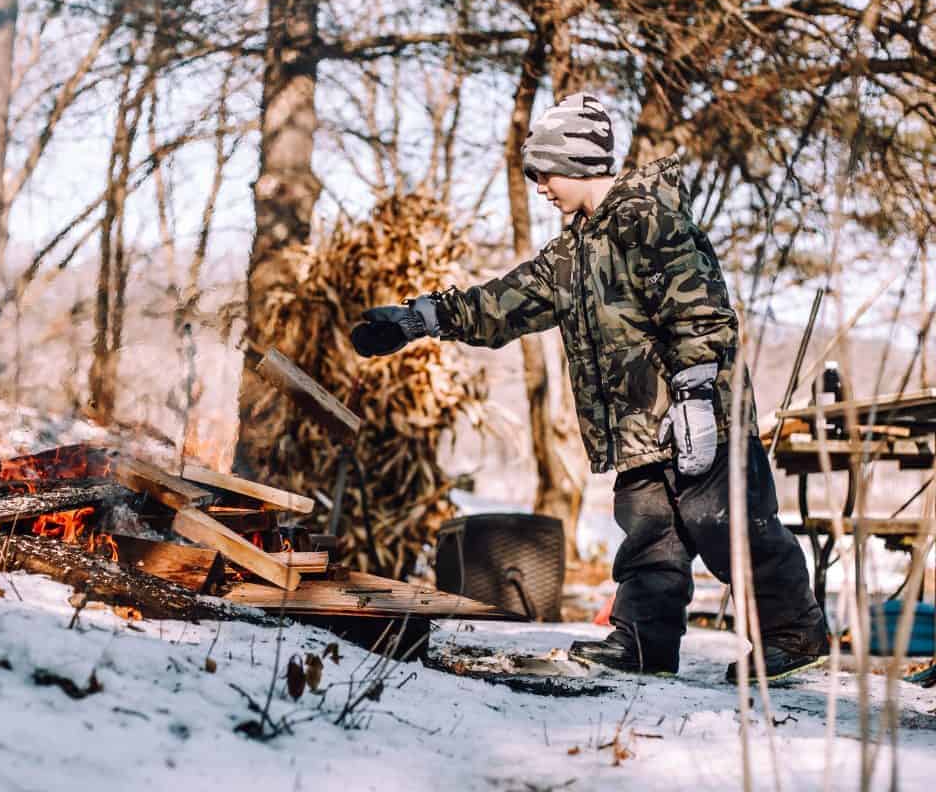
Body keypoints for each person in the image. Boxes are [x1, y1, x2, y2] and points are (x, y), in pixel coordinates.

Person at [351, 93, 829, 682]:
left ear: (576, 164)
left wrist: (698, 396)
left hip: (699, 414)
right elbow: (503, 303)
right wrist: (418, 319)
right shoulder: (573, 251)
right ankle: (643, 643)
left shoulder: (647, 219)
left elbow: (700, 308)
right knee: (650, 539)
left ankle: (794, 632)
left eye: (545, 172)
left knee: (726, 525)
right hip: (639, 429)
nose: (540, 186)